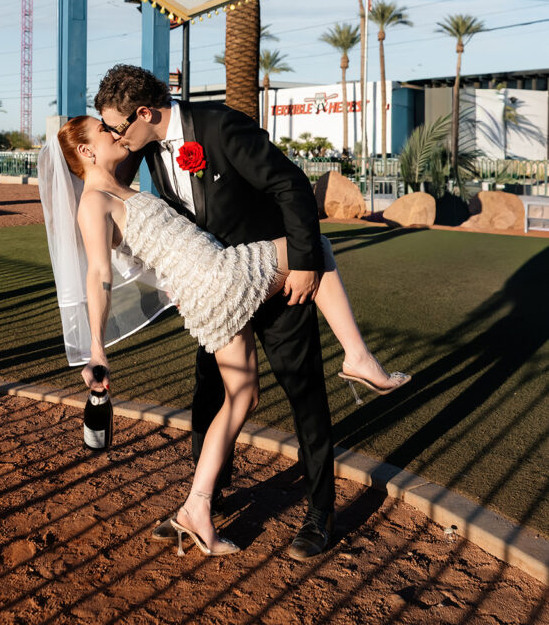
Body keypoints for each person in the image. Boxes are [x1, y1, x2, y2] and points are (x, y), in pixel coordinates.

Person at [85, 64, 407, 559]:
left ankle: (320, 512)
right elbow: (111, 196)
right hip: (214, 289)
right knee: (210, 395)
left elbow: (291, 185)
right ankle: (204, 501)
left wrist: (302, 265)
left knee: (304, 394)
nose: (113, 133)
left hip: (276, 283)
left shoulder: (219, 125)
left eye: (117, 124)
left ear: (145, 112)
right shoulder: (141, 148)